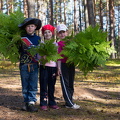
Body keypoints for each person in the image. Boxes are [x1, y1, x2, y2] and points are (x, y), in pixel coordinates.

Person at [18, 18, 42, 112]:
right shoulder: (21, 39)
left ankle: (31, 103)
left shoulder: (38, 39)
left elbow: (40, 52)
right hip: (24, 64)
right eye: (28, 26)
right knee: (25, 85)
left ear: (35, 27)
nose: (30, 28)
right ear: (25, 28)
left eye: (32, 26)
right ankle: (26, 102)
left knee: (33, 85)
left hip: (34, 64)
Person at [57, 24, 80, 109]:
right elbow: (58, 58)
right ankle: (69, 103)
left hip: (71, 64)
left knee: (71, 83)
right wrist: (58, 68)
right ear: (58, 34)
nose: (62, 34)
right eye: (60, 33)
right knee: (65, 84)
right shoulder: (58, 44)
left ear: (67, 32)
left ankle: (69, 101)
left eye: (64, 32)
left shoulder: (71, 42)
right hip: (63, 65)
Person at [39, 24, 59, 110]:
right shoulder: (41, 44)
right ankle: (43, 102)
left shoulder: (55, 44)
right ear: (43, 34)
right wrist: (41, 57)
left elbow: (58, 58)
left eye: (49, 32)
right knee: (43, 85)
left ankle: (52, 102)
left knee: (51, 85)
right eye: (45, 32)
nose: (47, 34)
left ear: (52, 33)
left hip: (53, 67)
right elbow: (37, 56)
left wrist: (58, 68)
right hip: (44, 67)